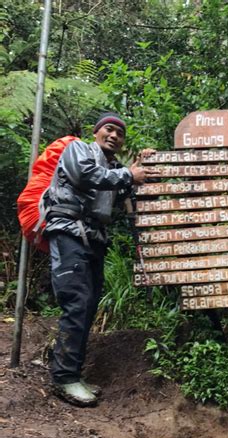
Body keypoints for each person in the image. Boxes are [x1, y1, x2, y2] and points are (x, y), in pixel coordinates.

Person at [43, 112, 152, 407]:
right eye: (109, 129)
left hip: (94, 239)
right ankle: (64, 377)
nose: (114, 135)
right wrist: (129, 174)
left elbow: (128, 192)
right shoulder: (78, 149)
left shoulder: (115, 168)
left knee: (88, 305)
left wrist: (142, 165)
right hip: (69, 232)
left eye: (120, 133)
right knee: (76, 301)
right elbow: (85, 176)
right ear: (96, 132)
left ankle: (73, 373)